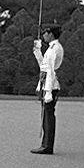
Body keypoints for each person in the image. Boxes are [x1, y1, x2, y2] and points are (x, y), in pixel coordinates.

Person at [31, 23, 65, 155]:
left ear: (51, 34)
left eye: (45, 32)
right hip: (47, 84)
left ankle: (47, 146)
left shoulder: (54, 49)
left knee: (48, 116)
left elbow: (50, 71)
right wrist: (38, 51)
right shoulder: (51, 48)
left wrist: (48, 92)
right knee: (46, 115)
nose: (43, 35)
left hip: (51, 85)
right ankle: (45, 144)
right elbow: (43, 66)